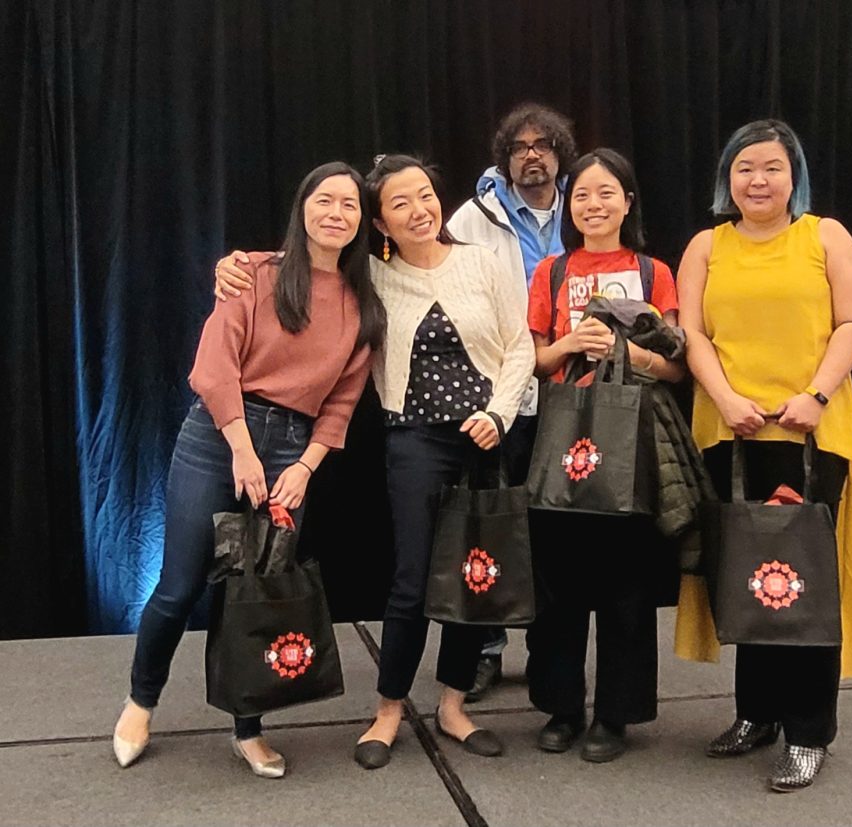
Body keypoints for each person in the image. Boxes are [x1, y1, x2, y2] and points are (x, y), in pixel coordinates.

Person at [215, 155, 535, 770]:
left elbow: (518, 344)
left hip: (487, 438)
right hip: (414, 438)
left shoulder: (483, 261)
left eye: (425, 196)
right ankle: (389, 709)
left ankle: (453, 706)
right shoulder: (373, 278)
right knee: (412, 578)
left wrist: (499, 414)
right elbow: (300, 263)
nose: (419, 210)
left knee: (475, 575)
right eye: (399, 203)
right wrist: (237, 266)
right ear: (381, 223)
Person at [113, 161, 384, 778]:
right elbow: (215, 365)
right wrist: (240, 446)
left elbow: (342, 403)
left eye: (349, 204)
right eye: (325, 200)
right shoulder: (255, 273)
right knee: (179, 585)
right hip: (217, 435)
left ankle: (248, 728)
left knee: (254, 594)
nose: (336, 213)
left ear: (362, 222)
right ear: (303, 207)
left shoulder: (364, 307)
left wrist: (305, 468)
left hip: (293, 449)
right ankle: (141, 701)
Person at [673, 119, 852, 791]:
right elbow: (692, 333)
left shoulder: (825, 236)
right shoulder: (706, 246)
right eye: (744, 168)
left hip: (810, 433)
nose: (757, 180)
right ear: (726, 179)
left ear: (795, 176)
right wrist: (725, 397)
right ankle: (757, 712)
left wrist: (816, 395)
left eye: (772, 167)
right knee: (748, 575)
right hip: (729, 431)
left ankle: (807, 730)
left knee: (803, 586)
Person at [524, 148, 684, 763]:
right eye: (582, 195)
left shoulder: (653, 272)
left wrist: (627, 352)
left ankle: (615, 715)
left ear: (628, 202)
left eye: (606, 193)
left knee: (626, 585)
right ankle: (561, 707)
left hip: (631, 438)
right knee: (557, 584)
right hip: (563, 438)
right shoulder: (552, 272)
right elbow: (534, 361)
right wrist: (571, 342)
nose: (593, 205)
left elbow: (675, 366)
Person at [447, 102, 578, 702]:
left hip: (573, 392)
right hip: (502, 396)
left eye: (542, 145)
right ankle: (486, 651)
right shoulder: (474, 217)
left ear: (559, 153)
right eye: (520, 147)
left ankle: (552, 657)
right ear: (504, 157)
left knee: (555, 529)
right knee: (494, 523)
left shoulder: (584, 205)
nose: (532, 155)